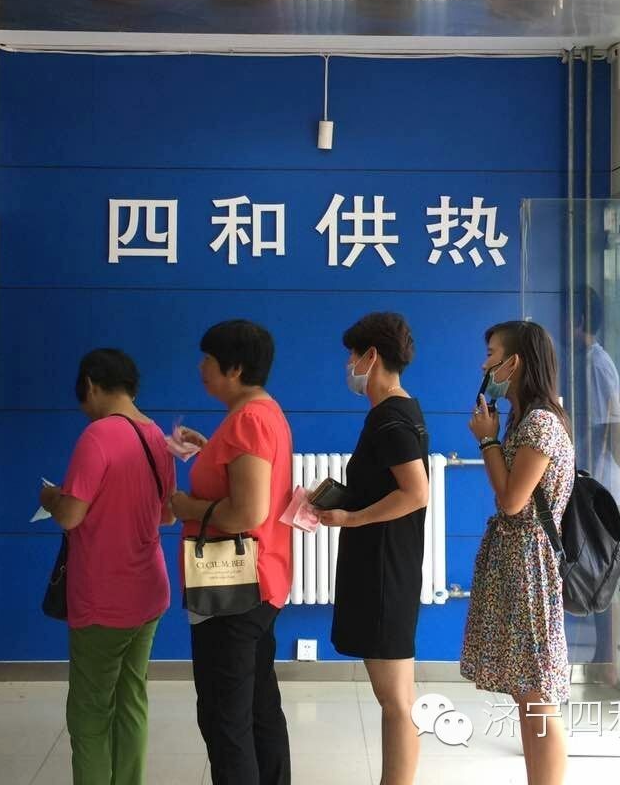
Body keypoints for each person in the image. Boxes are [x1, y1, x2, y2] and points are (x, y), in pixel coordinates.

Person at [37, 348, 177, 785]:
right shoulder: (156, 437)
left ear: (91, 385)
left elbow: (69, 515)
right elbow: (167, 515)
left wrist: (51, 497)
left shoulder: (97, 436)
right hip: (149, 592)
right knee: (131, 700)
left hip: (103, 597)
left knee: (90, 712)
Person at [169, 319, 294, 785]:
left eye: (208, 359)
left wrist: (185, 506)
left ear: (235, 368)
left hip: (234, 588)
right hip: (259, 584)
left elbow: (247, 511)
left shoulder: (248, 420)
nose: (201, 368)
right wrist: (210, 450)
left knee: (226, 720)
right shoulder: (260, 413)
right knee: (258, 709)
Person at [317, 312, 430, 785]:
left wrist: (351, 518)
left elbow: (415, 492)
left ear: (371, 356)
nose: (349, 366)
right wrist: (342, 501)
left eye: (352, 356)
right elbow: (385, 485)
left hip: (385, 568)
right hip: (388, 563)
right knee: (396, 699)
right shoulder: (400, 409)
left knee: (396, 701)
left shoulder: (390, 417)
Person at [461, 320, 573, 785]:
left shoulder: (541, 423)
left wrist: (487, 440)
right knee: (527, 692)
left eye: (492, 354)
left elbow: (512, 499)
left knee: (537, 693)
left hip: (530, 566)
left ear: (515, 363)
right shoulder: (525, 420)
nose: (485, 365)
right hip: (515, 563)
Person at [575, 287, 620, 686]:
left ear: (579, 321)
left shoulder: (596, 364)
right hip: (596, 480)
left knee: (603, 572)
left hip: (601, 484)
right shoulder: (586, 361)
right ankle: (602, 659)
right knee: (595, 569)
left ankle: (608, 662)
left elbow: (613, 424)